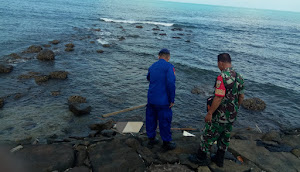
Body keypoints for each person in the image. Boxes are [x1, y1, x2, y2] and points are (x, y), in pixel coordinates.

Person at [189, 53, 245, 167]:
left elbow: (219, 97)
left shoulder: (222, 77)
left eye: (218, 64)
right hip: (232, 114)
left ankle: (201, 157)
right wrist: (235, 108)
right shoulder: (239, 76)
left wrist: (210, 113)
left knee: (208, 134)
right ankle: (219, 159)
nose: (218, 66)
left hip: (220, 114)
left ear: (221, 63)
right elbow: (241, 97)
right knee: (225, 137)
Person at [146, 48, 176, 150]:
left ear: (159, 56)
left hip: (151, 99)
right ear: (168, 57)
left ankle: (151, 139)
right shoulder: (169, 67)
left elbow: (149, 78)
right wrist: (172, 99)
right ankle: (166, 143)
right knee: (164, 121)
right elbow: (171, 83)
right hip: (163, 101)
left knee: (150, 119)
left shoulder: (152, 66)